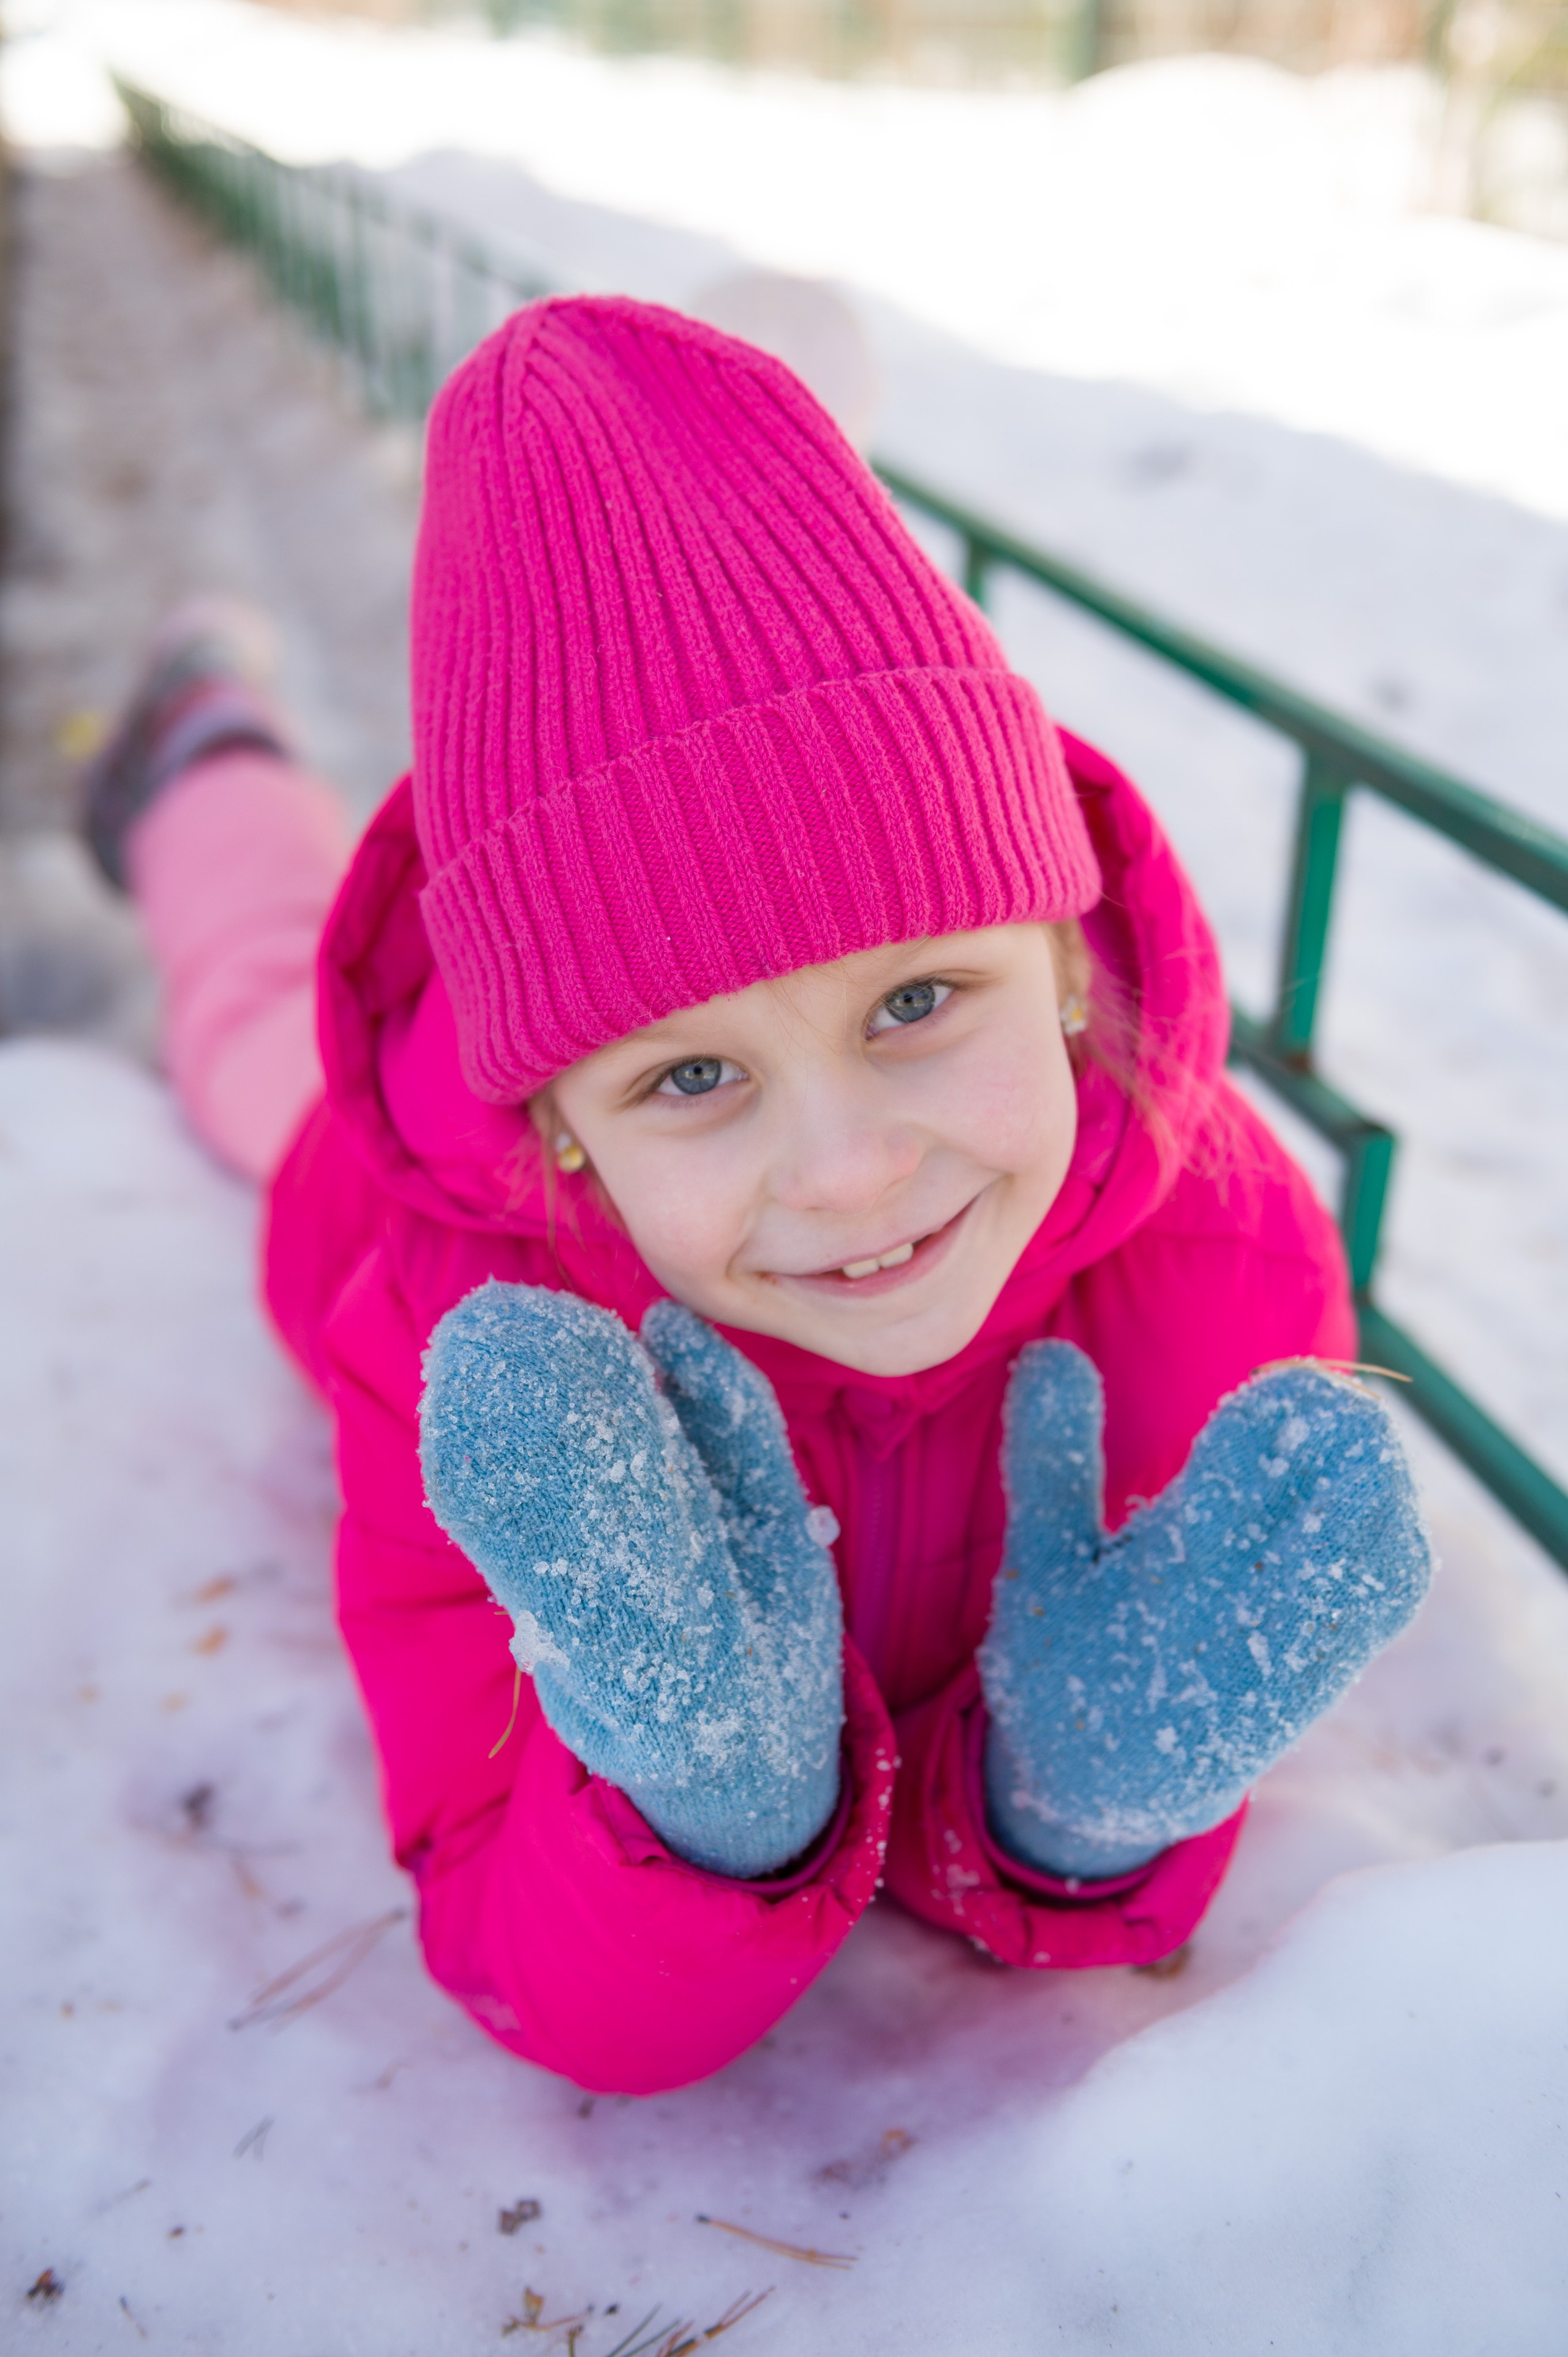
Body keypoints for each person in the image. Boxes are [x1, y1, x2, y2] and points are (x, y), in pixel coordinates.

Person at [84, 295, 1429, 2097]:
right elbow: (523, 1955)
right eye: (690, 1077)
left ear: (1059, 959)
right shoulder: (462, 1330)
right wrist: (702, 1804)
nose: (853, 1168)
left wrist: (1072, 1812)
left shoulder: (1220, 1252)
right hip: (374, 1177)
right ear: (563, 1127)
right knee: (256, 1014)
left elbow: (1074, 1823)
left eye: (919, 1000)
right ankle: (208, 753)